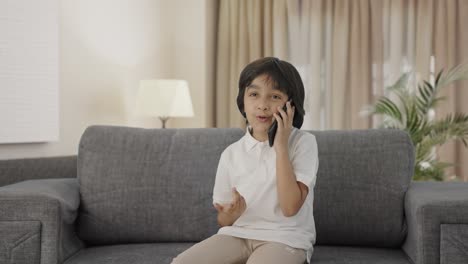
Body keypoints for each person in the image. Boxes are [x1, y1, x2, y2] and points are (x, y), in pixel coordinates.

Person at [171, 57, 319, 264]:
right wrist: (230, 214)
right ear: (243, 100)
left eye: (274, 96)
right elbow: (223, 220)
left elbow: (290, 207)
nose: (262, 105)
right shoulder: (231, 154)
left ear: (290, 105)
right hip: (237, 234)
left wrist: (281, 147)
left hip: (285, 238)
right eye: (254, 94)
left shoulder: (304, 143)